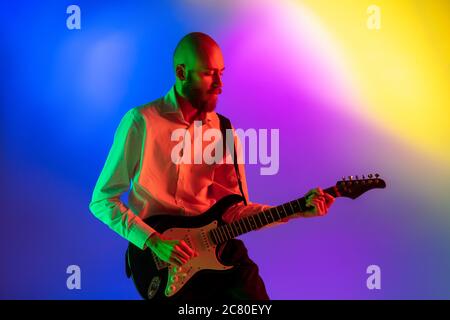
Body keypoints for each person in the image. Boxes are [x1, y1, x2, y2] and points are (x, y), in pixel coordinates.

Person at [89, 32, 335, 300]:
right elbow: (102, 201)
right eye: (209, 74)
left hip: (217, 248)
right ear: (181, 72)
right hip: (159, 257)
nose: (219, 84)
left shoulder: (224, 131)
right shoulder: (141, 122)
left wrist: (298, 210)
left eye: (221, 73)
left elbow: (234, 212)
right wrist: (152, 241)